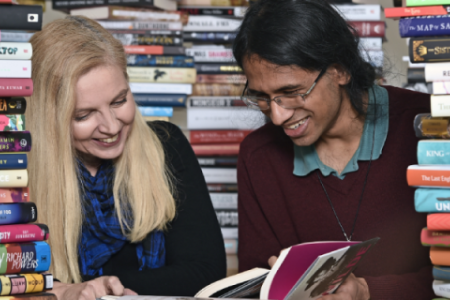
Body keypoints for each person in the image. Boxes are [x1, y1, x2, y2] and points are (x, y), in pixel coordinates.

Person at [233, 0, 434, 299]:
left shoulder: (429, 128)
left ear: (340, 70)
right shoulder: (257, 156)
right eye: (262, 97)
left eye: (291, 92)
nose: (277, 117)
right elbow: (254, 282)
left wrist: (367, 291)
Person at [27, 16, 226, 300]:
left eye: (119, 101)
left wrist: (99, 288)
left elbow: (207, 273)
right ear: (49, 120)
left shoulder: (167, 146)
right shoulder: (16, 173)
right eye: (83, 115)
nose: (111, 126)